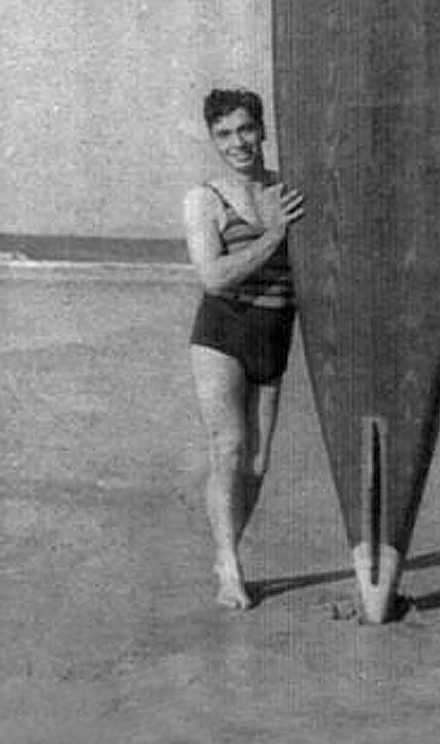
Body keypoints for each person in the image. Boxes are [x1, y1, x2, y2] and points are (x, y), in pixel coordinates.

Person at [184, 88, 304, 609]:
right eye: (225, 134)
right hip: (223, 332)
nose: (238, 142)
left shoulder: (287, 189)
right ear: (213, 139)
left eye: (246, 129)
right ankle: (229, 567)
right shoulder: (205, 199)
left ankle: (228, 549)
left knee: (256, 462)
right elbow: (213, 277)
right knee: (228, 448)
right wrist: (273, 238)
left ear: (263, 130)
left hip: (275, 331)